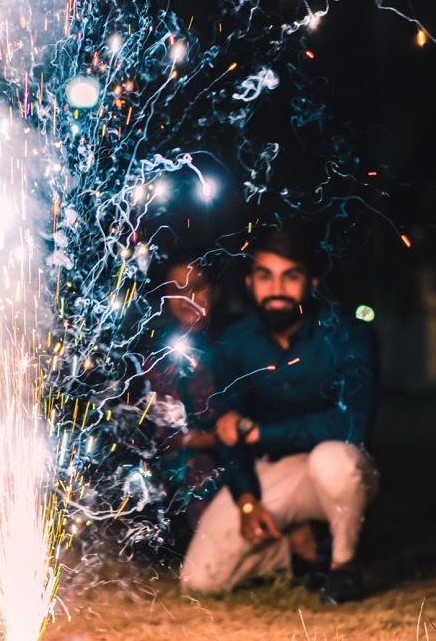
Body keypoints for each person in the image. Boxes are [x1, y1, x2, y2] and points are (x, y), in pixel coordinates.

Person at [179, 228, 380, 604]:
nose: (277, 289)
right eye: (265, 276)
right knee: (199, 581)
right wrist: (247, 500)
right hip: (277, 473)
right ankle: (296, 548)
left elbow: (350, 426)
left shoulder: (347, 334)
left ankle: (343, 567)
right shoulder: (235, 344)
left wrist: (258, 432)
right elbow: (229, 431)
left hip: (344, 470)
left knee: (333, 461)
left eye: (291, 276)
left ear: (312, 282)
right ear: (251, 282)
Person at [135, 257, 223, 560]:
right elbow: (152, 427)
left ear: (215, 291)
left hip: (227, 461)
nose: (187, 299)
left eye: (196, 288)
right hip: (171, 462)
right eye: (176, 289)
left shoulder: (230, 350)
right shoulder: (155, 355)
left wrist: (213, 439)